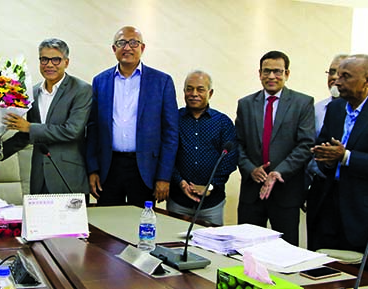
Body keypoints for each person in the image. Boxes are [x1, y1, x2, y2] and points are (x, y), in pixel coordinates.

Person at [309, 54, 368, 256]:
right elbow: (323, 146)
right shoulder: (335, 107)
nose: (337, 81)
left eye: (346, 76)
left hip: (363, 216)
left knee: (360, 282)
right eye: (336, 75)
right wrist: (322, 155)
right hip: (326, 208)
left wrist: (346, 157)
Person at [86, 26, 179, 206]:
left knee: (143, 226)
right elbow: (93, 127)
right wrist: (93, 169)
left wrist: (164, 176)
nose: (127, 47)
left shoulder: (162, 81)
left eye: (133, 43)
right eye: (121, 43)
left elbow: (170, 133)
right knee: (109, 224)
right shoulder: (100, 81)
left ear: (142, 48)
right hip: (109, 166)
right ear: (114, 49)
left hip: (145, 169)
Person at [235, 50, 315, 245]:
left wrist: (279, 172)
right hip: (252, 192)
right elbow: (236, 144)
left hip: (285, 191)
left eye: (277, 71)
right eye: (266, 71)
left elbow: (306, 145)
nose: (271, 76)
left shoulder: (302, 103)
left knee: (285, 251)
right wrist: (250, 169)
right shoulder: (245, 104)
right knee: (245, 250)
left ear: (287, 74)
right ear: (259, 73)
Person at [2, 38, 92, 194]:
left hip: (68, 176)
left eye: (56, 59)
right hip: (39, 174)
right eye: (44, 59)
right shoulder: (33, 92)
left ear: (66, 62)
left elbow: (72, 130)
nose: (49, 65)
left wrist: (29, 127)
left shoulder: (81, 90)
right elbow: (27, 134)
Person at [167, 71, 237, 226]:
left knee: (211, 248)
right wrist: (180, 182)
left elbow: (230, 159)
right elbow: (166, 155)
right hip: (178, 201)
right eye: (189, 89)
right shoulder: (173, 119)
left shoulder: (222, 122)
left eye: (200, 89)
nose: (194, 94)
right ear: (184, 91)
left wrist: (209, 186)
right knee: (172, 244)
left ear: (210, 93)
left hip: (212, 204)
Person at [306, 54, 348, 188]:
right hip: (320, 184)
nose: (335, 77)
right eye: (332, 72)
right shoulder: (317, 109)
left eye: (341, 73)